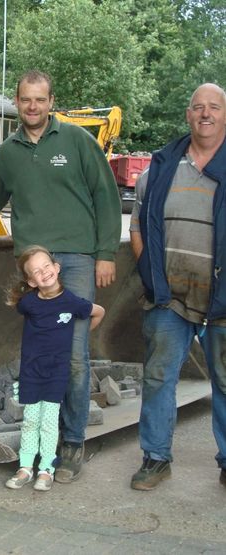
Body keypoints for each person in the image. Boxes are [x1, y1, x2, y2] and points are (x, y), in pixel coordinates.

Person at [0, 70, 121, 483]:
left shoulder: (77, 142)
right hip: (34, 266)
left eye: (40, 99)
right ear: (17, 102)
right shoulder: (7, 154)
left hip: (74, 261)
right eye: (26, 100)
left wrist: (105, 253)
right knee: (41, 355)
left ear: (51, 101)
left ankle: (72, 442)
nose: (33, 107)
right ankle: (46, 434)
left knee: (73, 354)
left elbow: (106, 197)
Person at [129, 83, 226, 491]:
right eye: (198, 107)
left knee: (224, 379)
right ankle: (155, 457)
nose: (205, 114)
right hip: (170, 297)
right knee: (158, 376)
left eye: (214, 107)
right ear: (188, 115)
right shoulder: (162, 167)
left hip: (223, 299)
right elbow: (137, 226)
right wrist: (151, 278)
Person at [3, 246, 104, 491]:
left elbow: (99, 312)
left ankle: (47, 468)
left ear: (57, 268)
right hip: (31, 372)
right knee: (29, 421)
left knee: (48, 422)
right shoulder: (28, 303)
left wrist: (79, 336)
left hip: (56, 373)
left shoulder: (71, 301)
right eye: (36, 272)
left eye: (47, 266)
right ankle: (25, 466)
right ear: (31, 281)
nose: (44, 273)